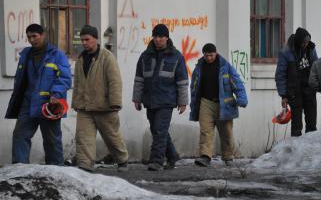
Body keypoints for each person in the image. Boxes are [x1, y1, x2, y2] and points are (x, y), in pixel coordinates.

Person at [5, 23, 72, 165]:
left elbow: (65, 78)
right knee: (20, 135)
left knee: (51, 140)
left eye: (34, 36)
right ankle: (20, 171)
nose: (31, 40)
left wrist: (56, 94)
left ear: (43, 35)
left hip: (49, 104)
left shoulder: (56, 55)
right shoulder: (25, 54)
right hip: (27, 103)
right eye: (29, 37)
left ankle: (56, 172)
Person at [72, 25, 128, 172]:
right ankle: (85, 166)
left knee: (112, 137)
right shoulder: (81, 59)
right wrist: (76, 102)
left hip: (104, 106)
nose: (84, 43)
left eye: (87, 39)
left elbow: (115, 81)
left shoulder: (107, 57)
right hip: (84, 107)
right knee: (83, 138)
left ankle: (122, 160)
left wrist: (115, 102)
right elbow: (77, 82)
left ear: (95, 39)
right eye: (82, 40)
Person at [132, 24, 188, 171]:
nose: (158, 39)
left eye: (161, 37)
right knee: (157, 129)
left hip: (167, 101)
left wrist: (183, 102)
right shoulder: (145, 56)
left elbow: (182, 81)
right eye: (155, 36)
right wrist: (137, 98)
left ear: (167, 38)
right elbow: (139, 79)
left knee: (160, 130)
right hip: (150, 100)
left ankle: (156, 160)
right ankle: (172, 155)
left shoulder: (176, 57)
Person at [190, 43, 248, 167]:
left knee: (226, 132)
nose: (209, 58)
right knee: (205, 130)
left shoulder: (225, 66)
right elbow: (194, 86)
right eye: (206, 55)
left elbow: (236, 81)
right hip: (206, 102)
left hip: (224, 103)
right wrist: (193, 103)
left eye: (211, 55)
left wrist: (242, 98)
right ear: (203, 54)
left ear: (216, 53)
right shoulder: (199, 67)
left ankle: (228, 156)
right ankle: (205, 156)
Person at [275, 27, 318, 137]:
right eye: (303, 42)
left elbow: (317, 67)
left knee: (312, 122)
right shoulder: (286, 52)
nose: (306, 44)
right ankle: (295, 151)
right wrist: (283, 95)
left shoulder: (311, 49)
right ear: (298, 41)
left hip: (309, 90)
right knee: (296, 125)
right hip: (294, 92)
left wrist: (317, 85)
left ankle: (312, 148)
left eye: (307, 42)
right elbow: (280, 75)